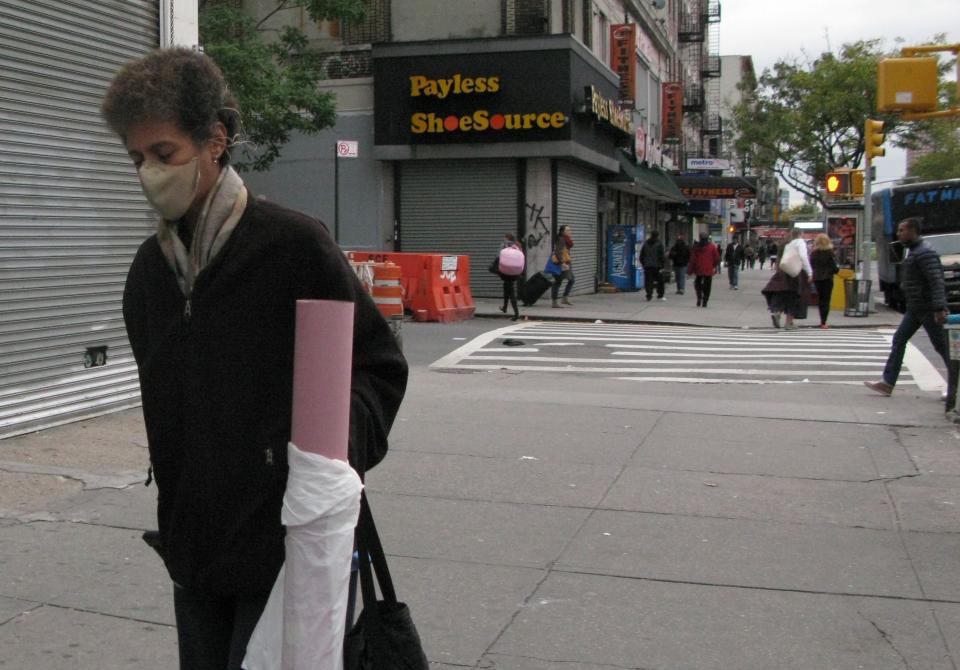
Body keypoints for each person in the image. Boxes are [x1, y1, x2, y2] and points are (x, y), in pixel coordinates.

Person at [102, 48, 409, 669]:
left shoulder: (293, 246)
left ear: (215, 140)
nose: (148, 173)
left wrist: (329, 455)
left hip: (285, 546)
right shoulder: (148, 274)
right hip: (194, 548)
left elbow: (379, 367)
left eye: (164, 154)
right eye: (136, 158)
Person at [865, 217, 950, 397]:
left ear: (913, 231)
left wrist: (939, 307)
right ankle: (887, 382)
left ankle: (954, 386)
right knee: (899, 339)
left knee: (942, 346)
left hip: (927, 308)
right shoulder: (913, 252)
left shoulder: (924, 253)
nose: (898, 234)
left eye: (902, 230)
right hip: (916, 308)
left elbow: (936, 281)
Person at [762, 228, 812, 330]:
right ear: (801, 234)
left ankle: (777, 312)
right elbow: (803, 257)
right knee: (795, 297)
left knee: (785, 294)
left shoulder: (789, 244)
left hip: (786, 272)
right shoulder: (800, 242)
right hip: (797, 273)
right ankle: (789, 323)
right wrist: (810, 272)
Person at [810, 233, 840, 329]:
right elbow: (834, 268)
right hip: (827, 279)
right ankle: (823, 322)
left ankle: (821, 321)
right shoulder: (830, 253)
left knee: (820, 300)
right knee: (826, 300)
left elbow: (812, 265)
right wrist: (837, 270)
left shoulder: (814, 253)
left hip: (817, 279)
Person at [687, 232, 721, 307]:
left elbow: (693, 259)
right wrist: (713, 266)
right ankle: (705, 300)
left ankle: (699, 297)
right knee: (708, 285)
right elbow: (717, 258)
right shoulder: (711, 247)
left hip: (699, 269)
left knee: (697, 284)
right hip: (708, 269)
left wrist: (690, 271)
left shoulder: (696, 247)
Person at [498, 232, 522, 321]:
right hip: (515, 272)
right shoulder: (517, 245)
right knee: (506, 287)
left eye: (504, 237)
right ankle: (504, 307)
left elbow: (498, 256)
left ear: (507, 238)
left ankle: (516, 314)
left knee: (511, 292)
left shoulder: (504, 245)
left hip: (506, 272)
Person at [550, 225, 575, 307]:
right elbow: (558, 252)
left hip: (565, 263)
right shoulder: (561, 239)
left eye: (570, 230)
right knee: (558, 282)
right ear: (563, 232)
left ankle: (564, 298)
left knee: (570, 280)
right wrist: (562, 263)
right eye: (567, 230)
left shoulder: (566, 240)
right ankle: (555, 302)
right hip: (561, 264)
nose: (569, 232)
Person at [639, 230, 667, 301]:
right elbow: (661, 256)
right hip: (657, 266)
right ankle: (660, 295)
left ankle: (649, 295)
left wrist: (643, 264)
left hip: (647, 266)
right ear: (657, 235)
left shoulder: (645, 244)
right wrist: (662, 265)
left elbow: (641, 255)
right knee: (660, 281)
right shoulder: (659, 244)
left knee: (648, 281)